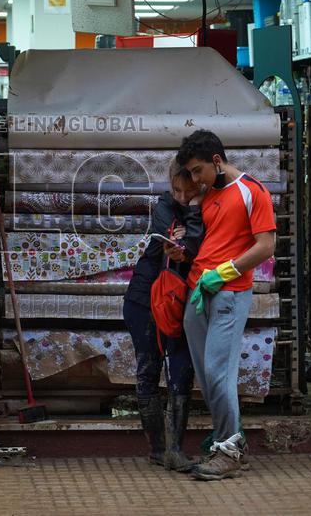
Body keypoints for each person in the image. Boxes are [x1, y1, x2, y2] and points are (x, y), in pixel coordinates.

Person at [175, 129, 276, 481]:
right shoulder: (207, 196)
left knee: (219, 374)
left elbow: (266, 246)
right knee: (207, 376)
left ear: (217, 161)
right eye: (190, 172)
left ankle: (229, 450)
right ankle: (226, 441)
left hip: (229, 292)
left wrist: (227, 271)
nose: (194, 178)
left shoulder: (253, 191)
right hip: (198, 291)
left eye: (198, 170)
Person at [122, 160, 205, 472]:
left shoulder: (205, 206)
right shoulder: (163, 206)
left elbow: (198, 243)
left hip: (180, 301)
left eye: (190, 191)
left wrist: (195, 211)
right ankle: (159, 449)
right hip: (145, 300)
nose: (182, 197)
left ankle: (175, 450)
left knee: (181, 372)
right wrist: (189, 234)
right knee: (149, 370)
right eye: (178, 190)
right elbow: (177, 240)